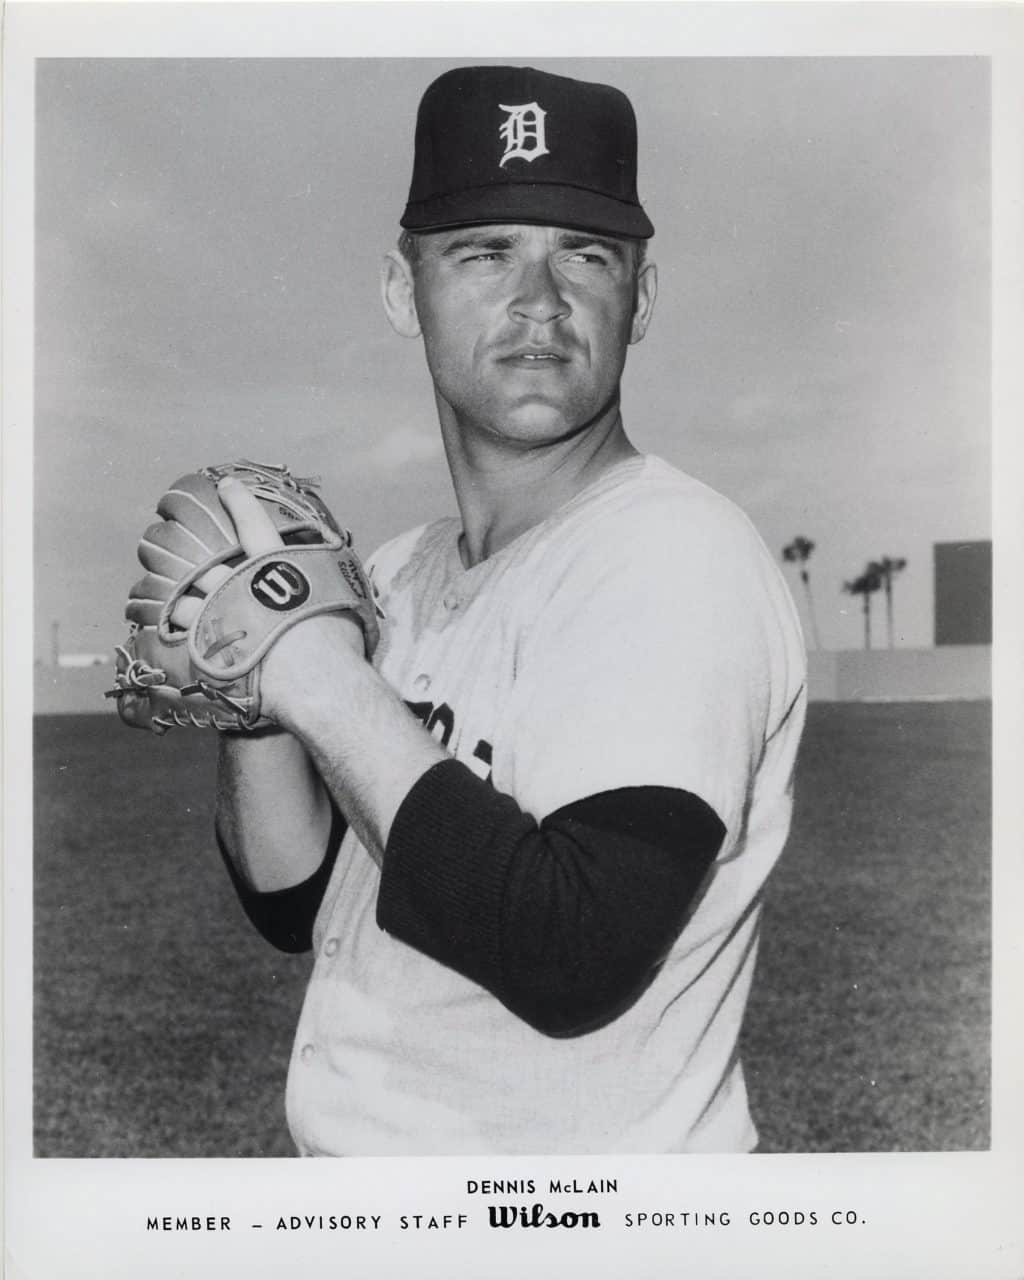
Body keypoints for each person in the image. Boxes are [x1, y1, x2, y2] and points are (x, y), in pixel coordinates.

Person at [212, 65, 807, 1155]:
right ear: (404, 292)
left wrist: (315, 673)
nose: (540, 300)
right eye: (484, 252)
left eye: (584, 253)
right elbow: (294, 903)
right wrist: (254, 694)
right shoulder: (396, 572)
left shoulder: (671, 556)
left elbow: (572, 949)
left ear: (643, 298)